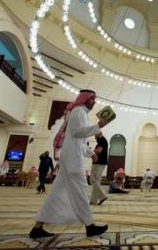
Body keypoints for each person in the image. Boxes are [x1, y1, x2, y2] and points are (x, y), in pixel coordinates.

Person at [30, 89, 109, 239]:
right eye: (93, 99)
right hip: (73, 159)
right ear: (85, 99)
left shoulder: (80, 113)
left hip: (71, 155)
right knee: (81, 190)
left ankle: (37, 227)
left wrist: (90, 153)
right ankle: (90, 225)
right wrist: (97, 126)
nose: (95, 102)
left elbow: (77, 139)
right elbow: (78, 132)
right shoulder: (79, 111)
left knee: (56, 192)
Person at [89, 132, 108, 205]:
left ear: (98, 134)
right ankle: (93, 200)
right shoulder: (103, 140)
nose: (94, 137)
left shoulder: (101, 140)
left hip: (98, 163)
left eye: (95, 135)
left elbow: (99, 150)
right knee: (96, 182)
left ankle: (102, 196)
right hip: (100, 163)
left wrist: (91, 151)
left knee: (92, 179)